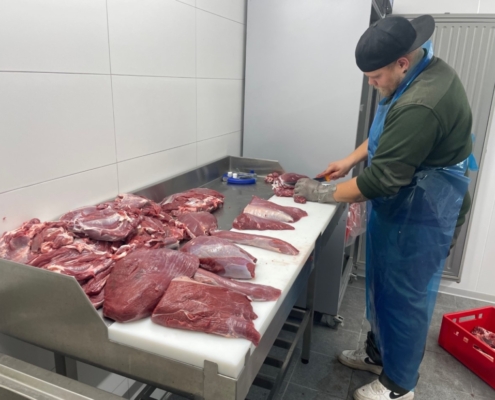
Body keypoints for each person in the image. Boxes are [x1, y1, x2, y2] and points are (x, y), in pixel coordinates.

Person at [294, 15, 473, 400]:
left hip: (425, 211)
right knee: (382, 286)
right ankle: (378, 356)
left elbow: (380, 181)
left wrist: (320, 192)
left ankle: (399, 386)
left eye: (375, 77)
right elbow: (388, 134)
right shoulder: (414, 71)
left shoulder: (422, 102)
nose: (372, 84)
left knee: (404, 298)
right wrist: (349, 160)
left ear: (402, 62)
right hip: (403, 203)